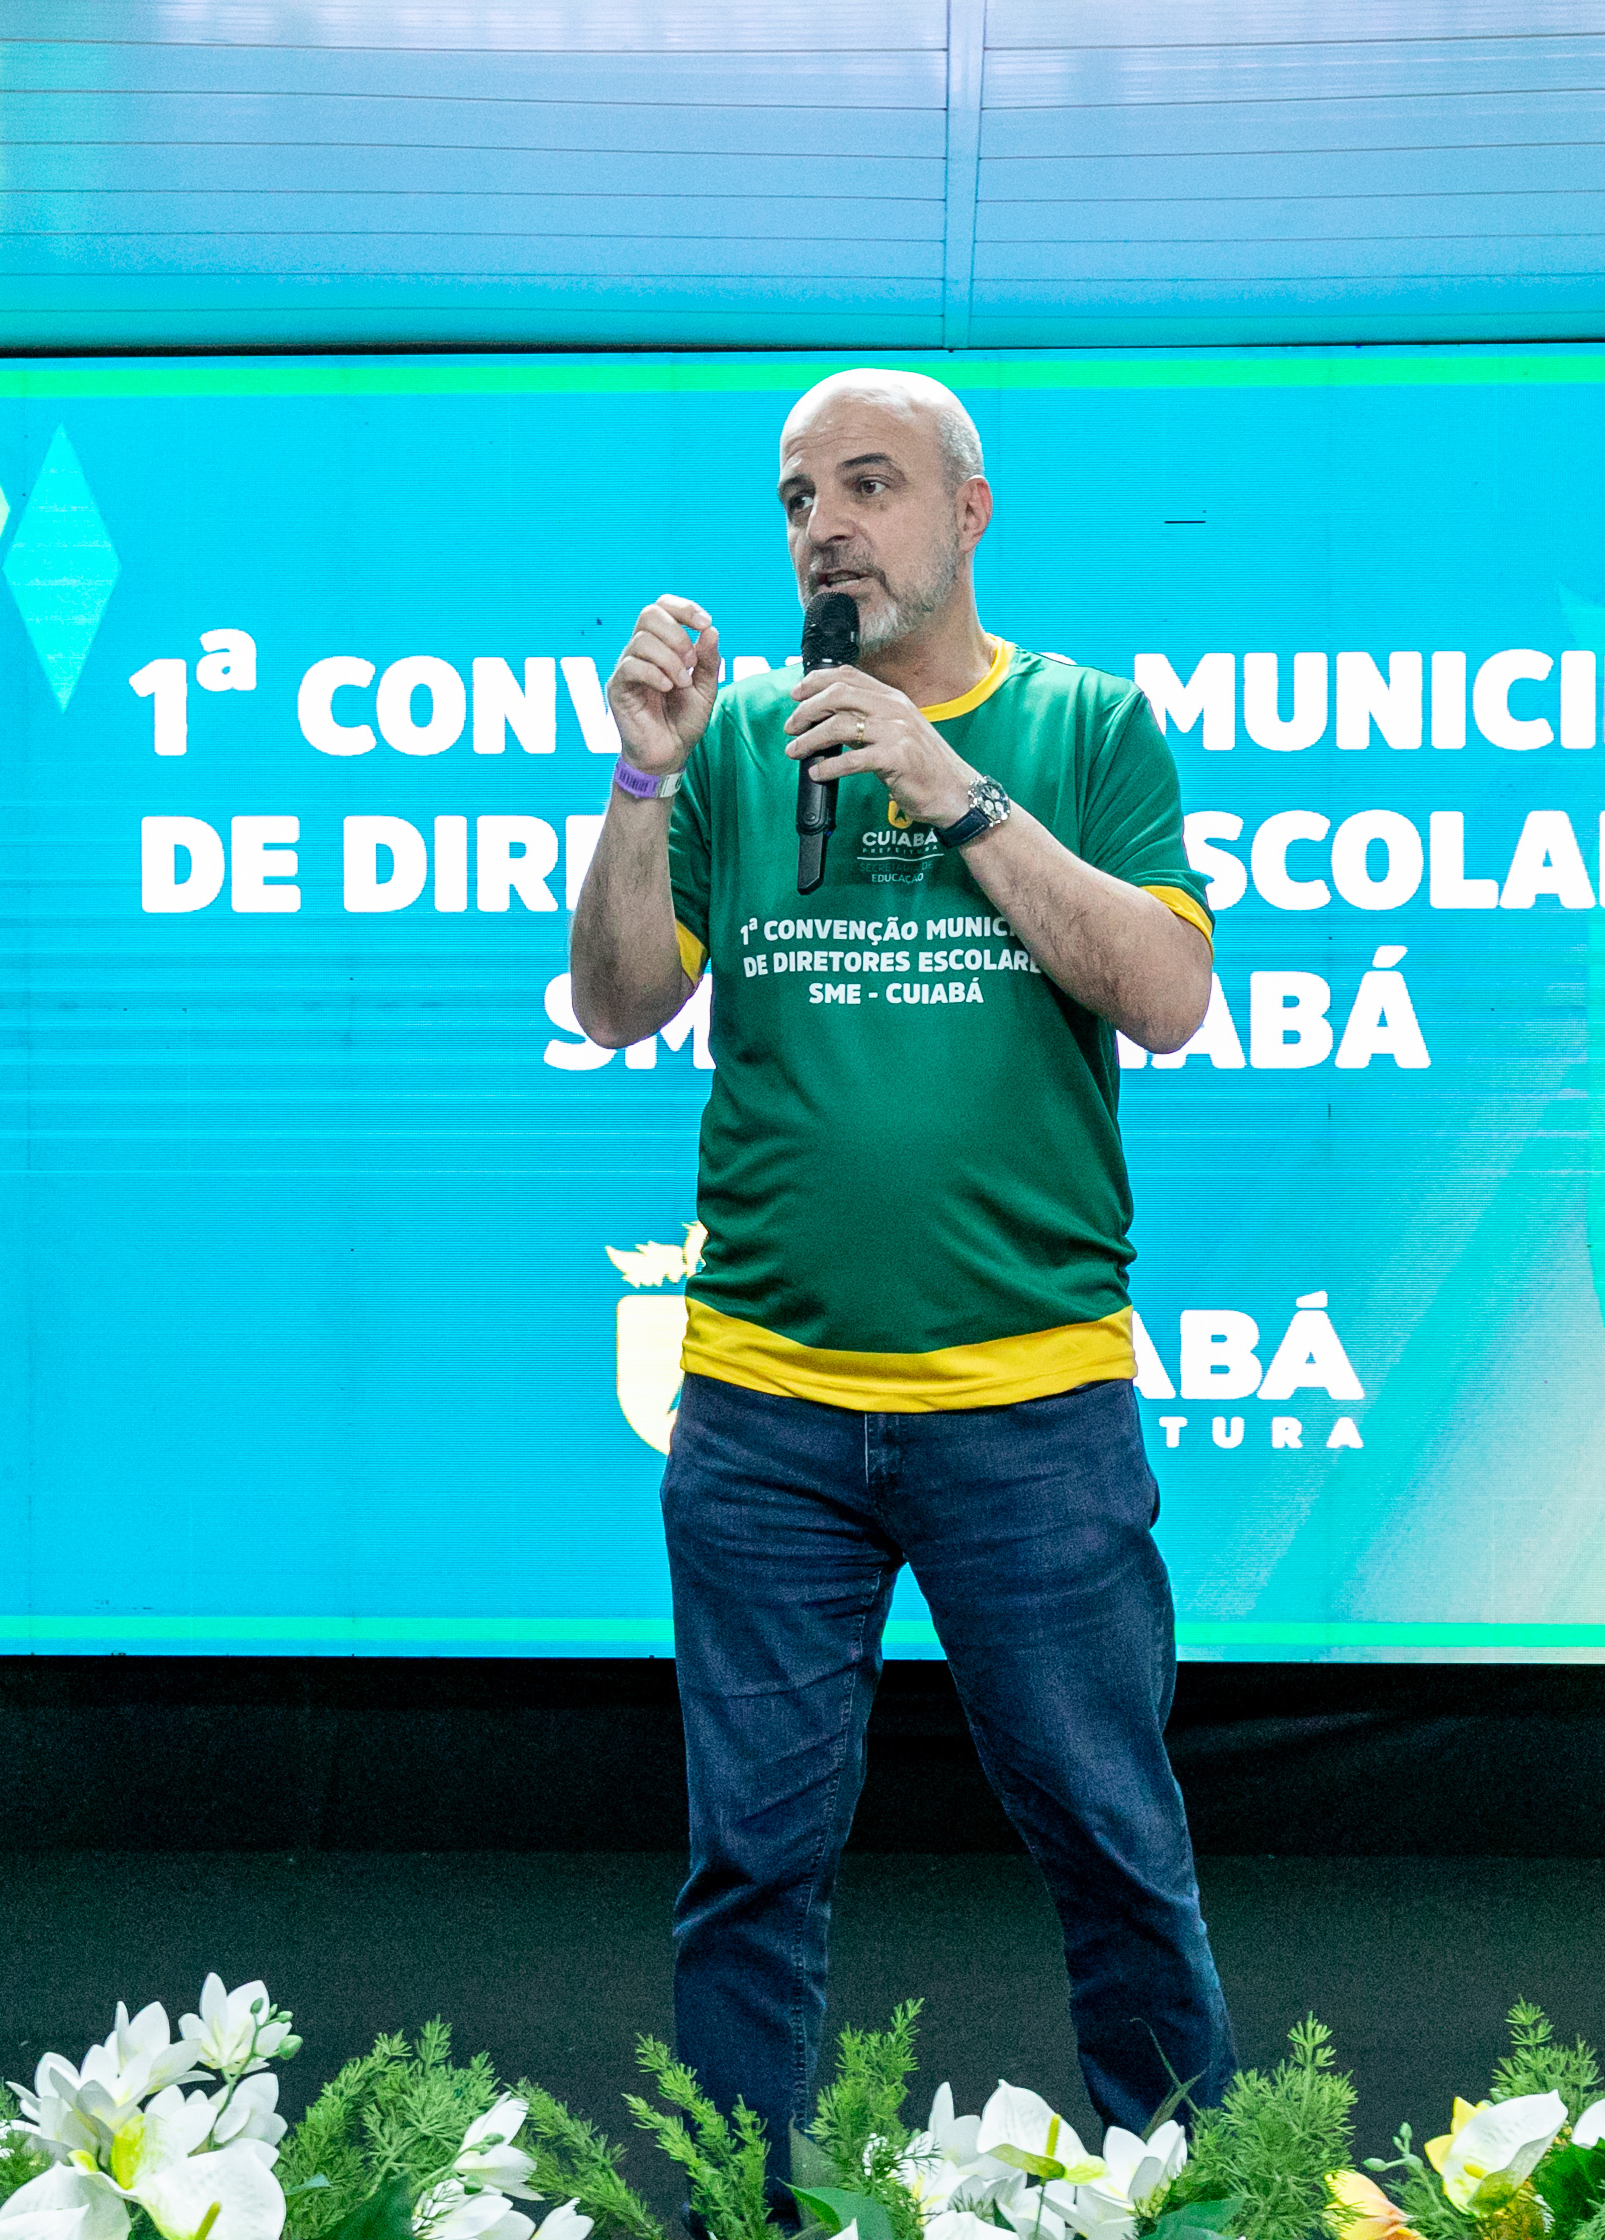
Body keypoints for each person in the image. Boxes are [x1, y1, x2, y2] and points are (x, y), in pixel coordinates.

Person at [566, 367, 1236, 2169]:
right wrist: (642, 775)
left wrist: (952, 787)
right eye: (800, 499)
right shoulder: (736, 744)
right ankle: (742, 2213)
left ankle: (1196, 2200)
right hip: (765, 1410)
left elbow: (1169, 997)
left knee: (1114, 1846)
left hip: (1030, 1405)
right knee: (749, 1868)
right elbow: (616, 1001)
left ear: (969, 511)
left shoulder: (1087, 724)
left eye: (869, 486)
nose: (827, 529)